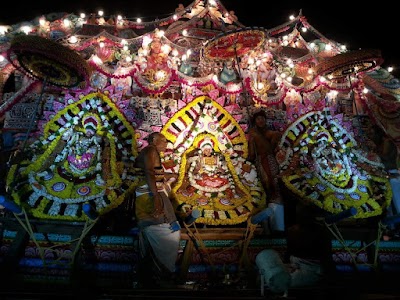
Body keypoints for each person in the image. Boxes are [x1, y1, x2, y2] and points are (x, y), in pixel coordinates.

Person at [134, 132, 181, 288]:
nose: (166, 144)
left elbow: (153, 173)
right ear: (154, 140)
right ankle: (162, 273)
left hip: (151, 194)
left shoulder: (151, 152)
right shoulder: (151, 150)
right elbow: (148, 173)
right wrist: (156, 198)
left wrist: (169, 175)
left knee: (160, 230)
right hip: (148, 197)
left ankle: (151, 274)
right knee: (166, 231)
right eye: (164, 141)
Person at [248, 110, 282, 204]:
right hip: (259, 160)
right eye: (258, 119)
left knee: (274, 181)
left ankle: (276, 203)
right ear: (255, 121)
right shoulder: (252, 134)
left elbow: (270, 148)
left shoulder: (270, 133)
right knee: (264, 183)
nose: (260, 121)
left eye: (262, 118)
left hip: (270, 159)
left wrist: (257, 136)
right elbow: (251, 153)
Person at [369, 124, 400, 221]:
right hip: (387, 175)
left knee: (396, 202)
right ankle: (392, 225)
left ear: (379, 134)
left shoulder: (387, 142)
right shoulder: (381, 143)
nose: (370, 136)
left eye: (372, 134)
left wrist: (374, 154)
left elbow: (386, 158)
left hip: (392, 175)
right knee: (390, 201)